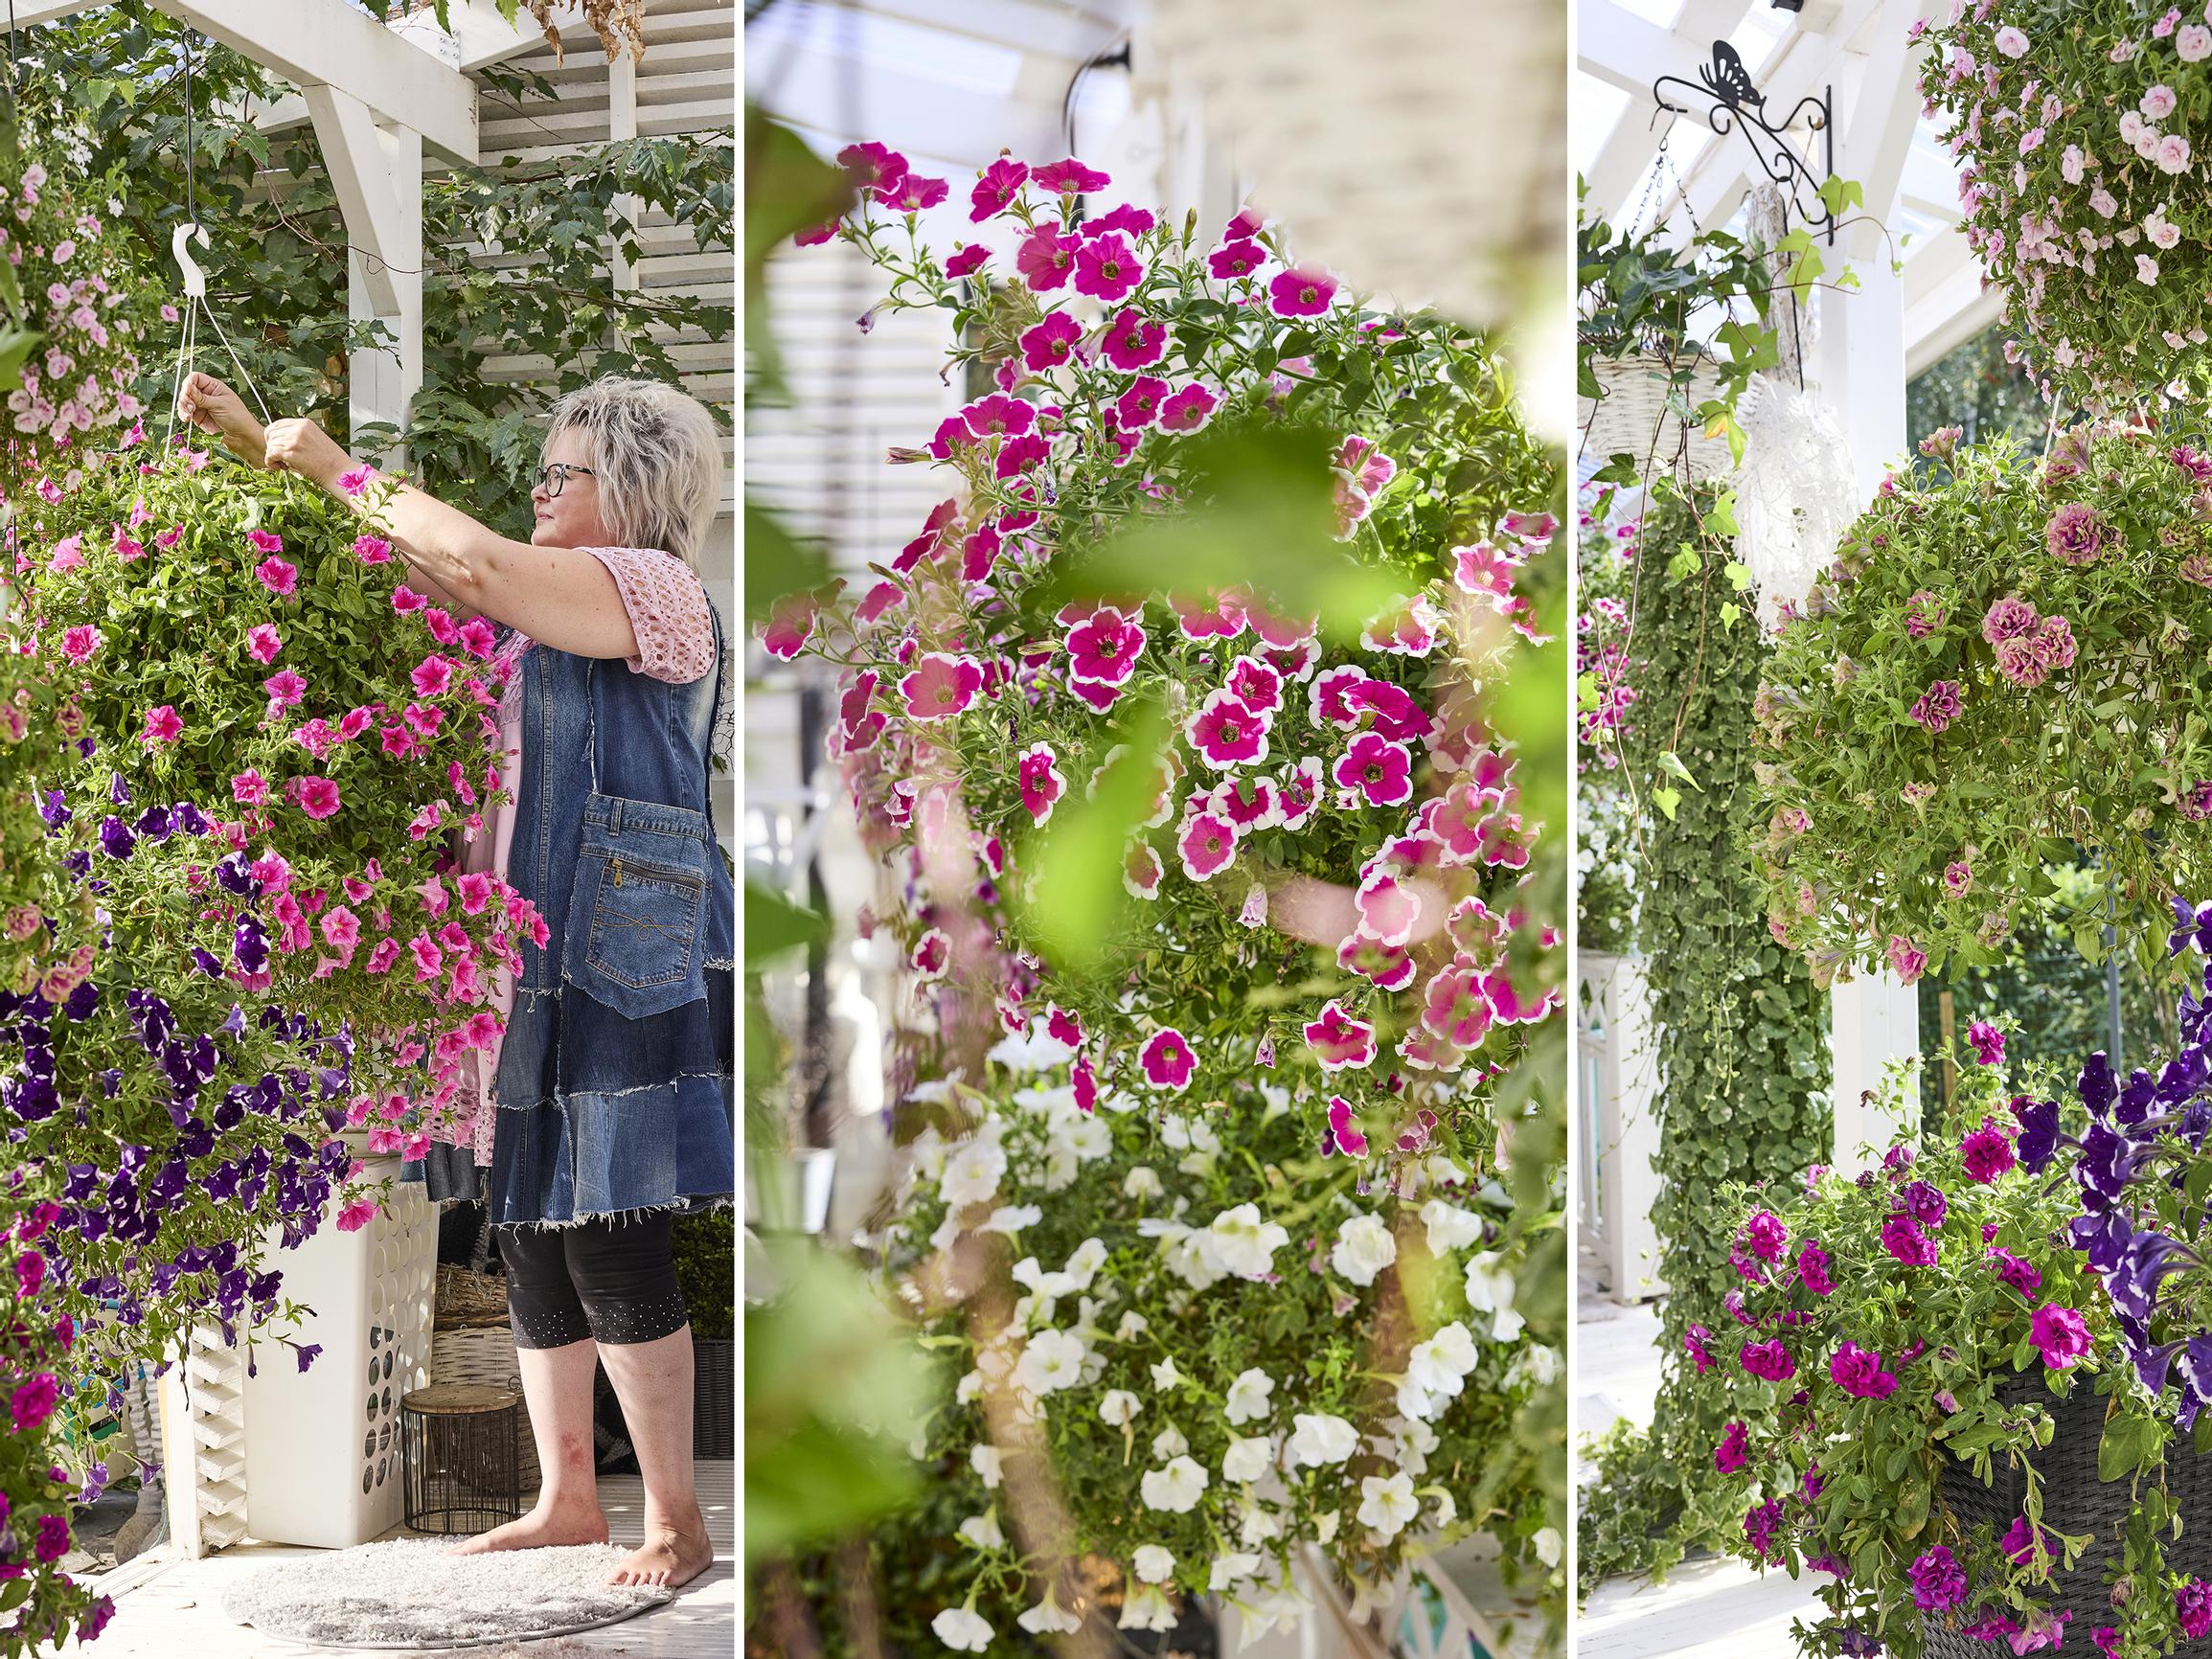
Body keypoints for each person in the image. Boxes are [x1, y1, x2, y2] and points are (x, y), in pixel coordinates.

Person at [175, 370, 735, 1590]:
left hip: (614, 951)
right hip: (519, 953)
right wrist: (264, 457)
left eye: (559, 473)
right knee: (526, 1222)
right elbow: (417, 560)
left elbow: (471, 564)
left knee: (611, 1228)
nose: (537, 491)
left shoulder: (655, 590)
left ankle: (675, 1523)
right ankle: (567, 1500)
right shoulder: (539, 610)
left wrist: (332, 460)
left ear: (628, 486)